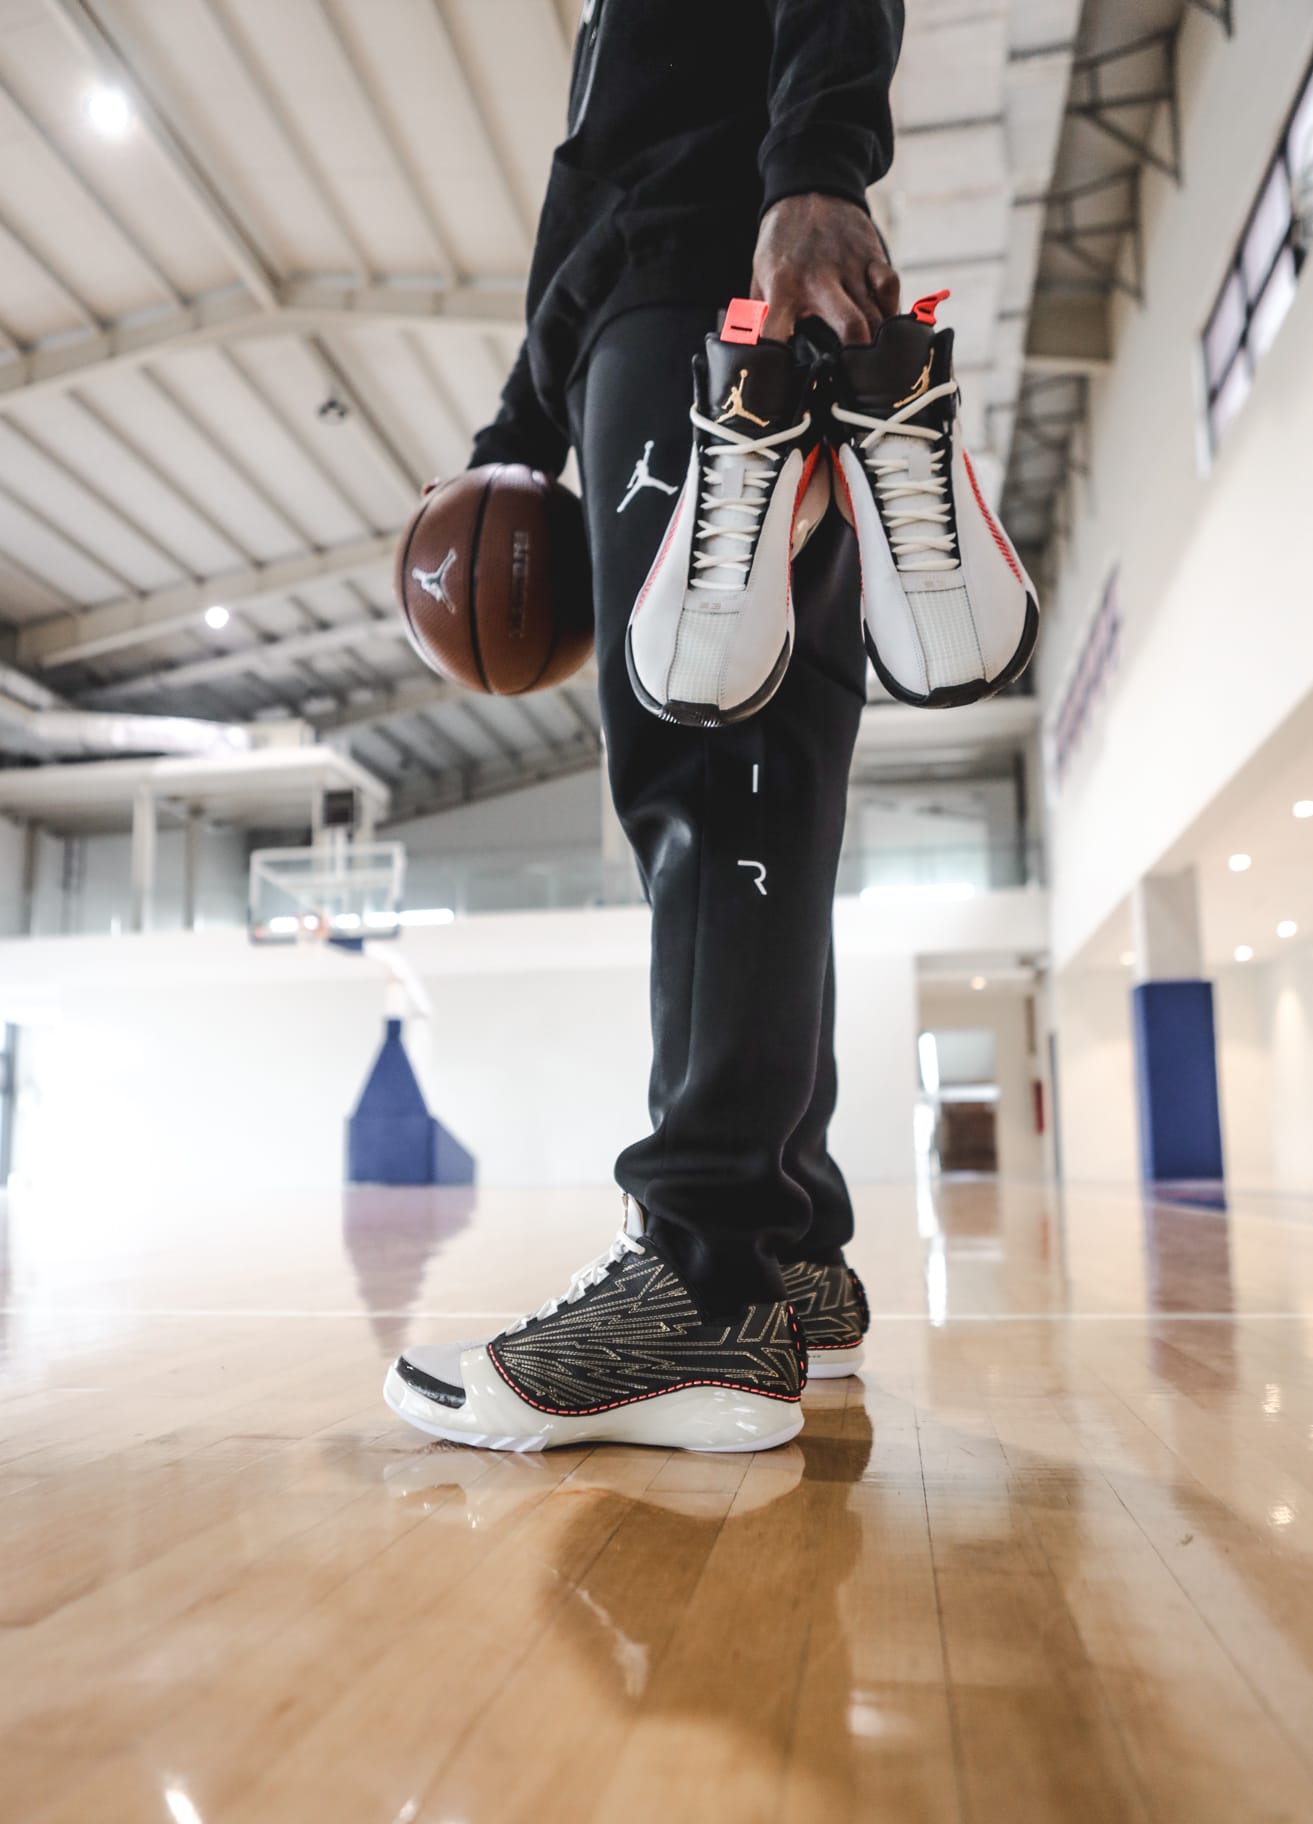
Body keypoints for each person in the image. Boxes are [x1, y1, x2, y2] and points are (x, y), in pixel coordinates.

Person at [385, 0, 905, 1453]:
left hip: (710, 291)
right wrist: (519, 428)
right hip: (658, 302)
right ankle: (786, 1252)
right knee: (753, 775)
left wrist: (815, 176)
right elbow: (595, 189)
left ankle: (701, 1287)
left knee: (716, 770)